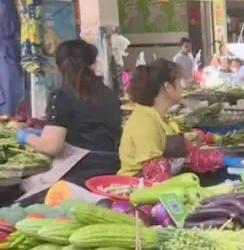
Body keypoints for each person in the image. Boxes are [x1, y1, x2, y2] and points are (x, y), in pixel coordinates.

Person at [15, 39, 122, 196]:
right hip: (111, 171)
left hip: (78, 174)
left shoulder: (62, 95)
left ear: (59, 67)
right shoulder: (110, 94)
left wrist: (24, 136)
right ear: (93, 64)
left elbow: (52, 146)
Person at [118, 59, 186, 177]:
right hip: (138, 189)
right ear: (168, 86)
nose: (182, 88)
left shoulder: (159, 117)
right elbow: (154, 173)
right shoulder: (145, 123)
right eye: (179, 82)